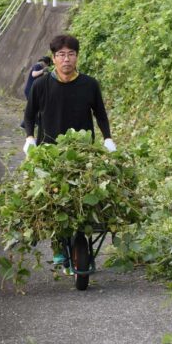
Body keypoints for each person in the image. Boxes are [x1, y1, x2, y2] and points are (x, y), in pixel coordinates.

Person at [22, 35, 117, 271]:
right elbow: (29, 115)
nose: (67, 59)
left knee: (85, 196)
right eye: (61, 55)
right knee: (52, 200)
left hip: (83, 152)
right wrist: (30, 138)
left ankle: (80, 244)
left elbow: (101, 114)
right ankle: (57, 246)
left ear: (77, 57)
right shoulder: (41, 85)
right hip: (49, 152)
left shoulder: (89, 84)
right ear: (54, 59)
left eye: (71, 54)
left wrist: (107, 138)